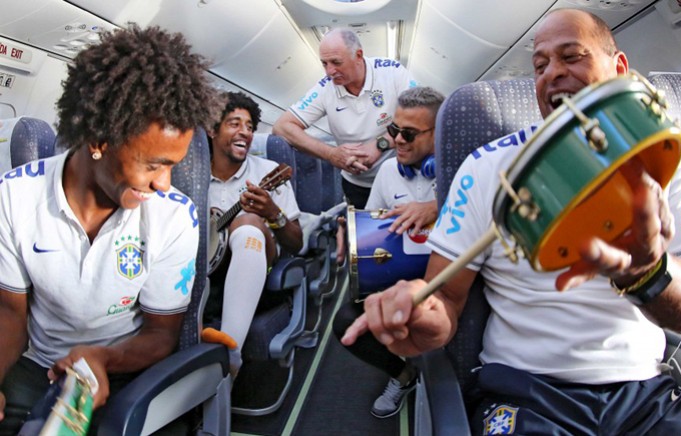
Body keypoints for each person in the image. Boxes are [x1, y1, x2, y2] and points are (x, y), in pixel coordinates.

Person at [343, 8, 681, 434]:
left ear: (619, 68)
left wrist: (647, 272)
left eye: (572, 56)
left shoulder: (666, 160)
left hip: (642, 392)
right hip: (525, 391)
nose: (552, 74)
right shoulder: (488, 168)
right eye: (540, 65)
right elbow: (446, 299)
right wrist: (425, 321)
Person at [0, 25, 221, 434]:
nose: (164, 183)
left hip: (123, 371)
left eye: (172, 165)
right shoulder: (15, 196)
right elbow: (9, 314)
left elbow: (160, 334)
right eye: (153, 164)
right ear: (99, 140)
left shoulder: (175, 216)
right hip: (38, 367)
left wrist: (104, 359)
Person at [333, 86, 445, 418]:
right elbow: (372, 229)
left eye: (408, 133)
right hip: (396, 276)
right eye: (394, 130)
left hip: (448, 282)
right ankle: (403, 374)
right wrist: (351, 232)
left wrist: (437, 206)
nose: (397, 140)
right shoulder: (386, 171)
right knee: (344, 322)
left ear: (438, 134)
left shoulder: (463, 171)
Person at [204, 91, 303, 374]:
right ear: (211, 130)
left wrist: (272, 212)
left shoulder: (268, 172)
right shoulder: (193, 178)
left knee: (248, 222)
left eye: (249, 126)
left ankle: (231, 356)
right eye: (234, 124)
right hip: (205, 279)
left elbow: (297, 243)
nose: (245, 132)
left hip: (257, 275)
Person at [272, 27, 417, 208]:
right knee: (364, 234)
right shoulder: (325, 89)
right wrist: (331, 154)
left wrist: (380, 145)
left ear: (358, 55)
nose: (329, 71)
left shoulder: (392, 72)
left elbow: (418, 117)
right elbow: (282, 126)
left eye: (336, 62)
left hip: (403, 175)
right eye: (324, 64)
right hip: (357, 184)